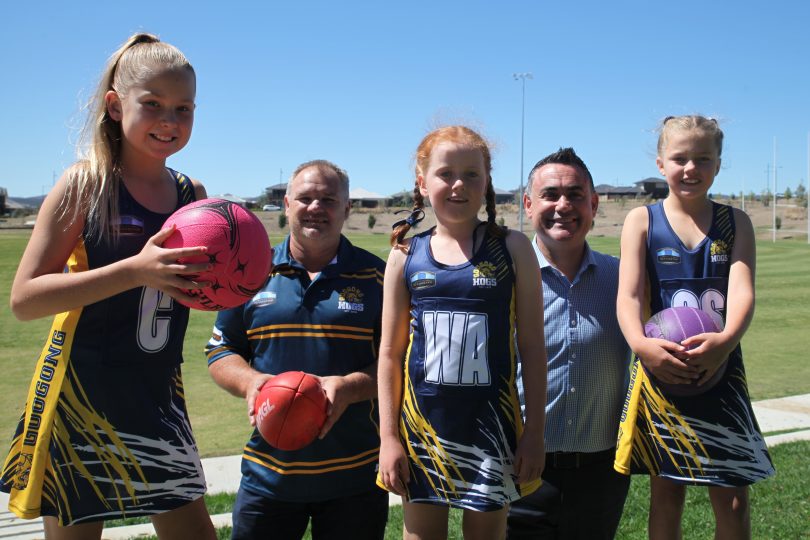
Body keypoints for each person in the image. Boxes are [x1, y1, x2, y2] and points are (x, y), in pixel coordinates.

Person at [0, 33, 216, 539]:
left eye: (184, 108)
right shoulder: (86, 184)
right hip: (82, 389)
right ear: (116, 107)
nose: (170, 120)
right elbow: (25, 299)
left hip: (158, 391)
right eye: (153, 104)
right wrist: (132, 271)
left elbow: (198, 289)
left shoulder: (192, 194)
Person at [377, 125, 547, 540]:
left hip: (492, 427)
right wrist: (388, 437)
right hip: (422, 428)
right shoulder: (405, 255)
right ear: (422, 182)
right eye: (445, 173)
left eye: (472, 173)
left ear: (487, 181)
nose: (458, 184)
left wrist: (534, 434)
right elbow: (389, 354)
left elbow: (532, 348)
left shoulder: (513, 248)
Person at [205, 160, 389, 540]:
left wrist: (350, 387)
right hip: (268, 477)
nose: (315, 207)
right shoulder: (248, 272)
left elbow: (398, 362)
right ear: (287, 204)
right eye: (305, 198)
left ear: (347, 207)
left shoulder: (378, 277)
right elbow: (221, 351)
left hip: (354, 478)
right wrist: (252, 382)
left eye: (328, 199)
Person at [614, 115, 775, 539]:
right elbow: (628, 297)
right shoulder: (642, 221)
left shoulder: (735, 222)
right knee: (668, 494)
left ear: (718, 164)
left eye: (702, 158)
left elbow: (742, 292)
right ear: (661, 162)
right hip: (660, 372)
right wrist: (641, 346)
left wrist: (724, 342)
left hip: (720, 371)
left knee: (734, 499)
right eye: (680, 158)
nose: (690, 168)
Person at [507, 147, 631, 539]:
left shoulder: (623, 279)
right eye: (550, 195)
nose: (564, 205)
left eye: (576, 195)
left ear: (593, 204)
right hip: (521, 466)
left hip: (602, 471)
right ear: (528, 204)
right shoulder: (504, 281)